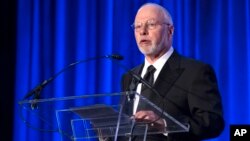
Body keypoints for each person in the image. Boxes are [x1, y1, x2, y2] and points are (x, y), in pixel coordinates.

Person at [121, 3, 224, 141]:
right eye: (138, 26)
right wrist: (106, 134)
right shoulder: (129, 77)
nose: (142, 31)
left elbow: (212, 122)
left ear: (170, 31)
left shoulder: (195, 72)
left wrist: (165, 125)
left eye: (151, 24)